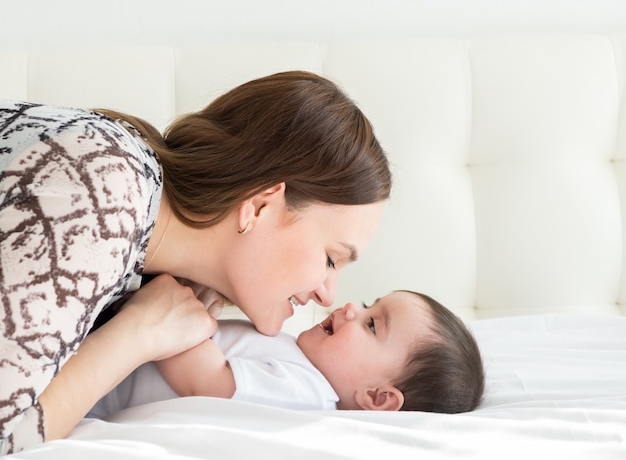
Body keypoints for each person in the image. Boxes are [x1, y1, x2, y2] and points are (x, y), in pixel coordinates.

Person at [0, 70, 391, 455]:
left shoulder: (135, 218)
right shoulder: (103, 190)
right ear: (260, 206)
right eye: (330, 259)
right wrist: (137, 334)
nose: (329, 295)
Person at [89, 290, 485, 417]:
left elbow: (204, 379)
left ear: (378, 398)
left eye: (371, 324)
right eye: (368, 303)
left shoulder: (307, 393)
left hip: (95, 384)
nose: (351, 309)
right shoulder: (298, 358)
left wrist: (167, 299)